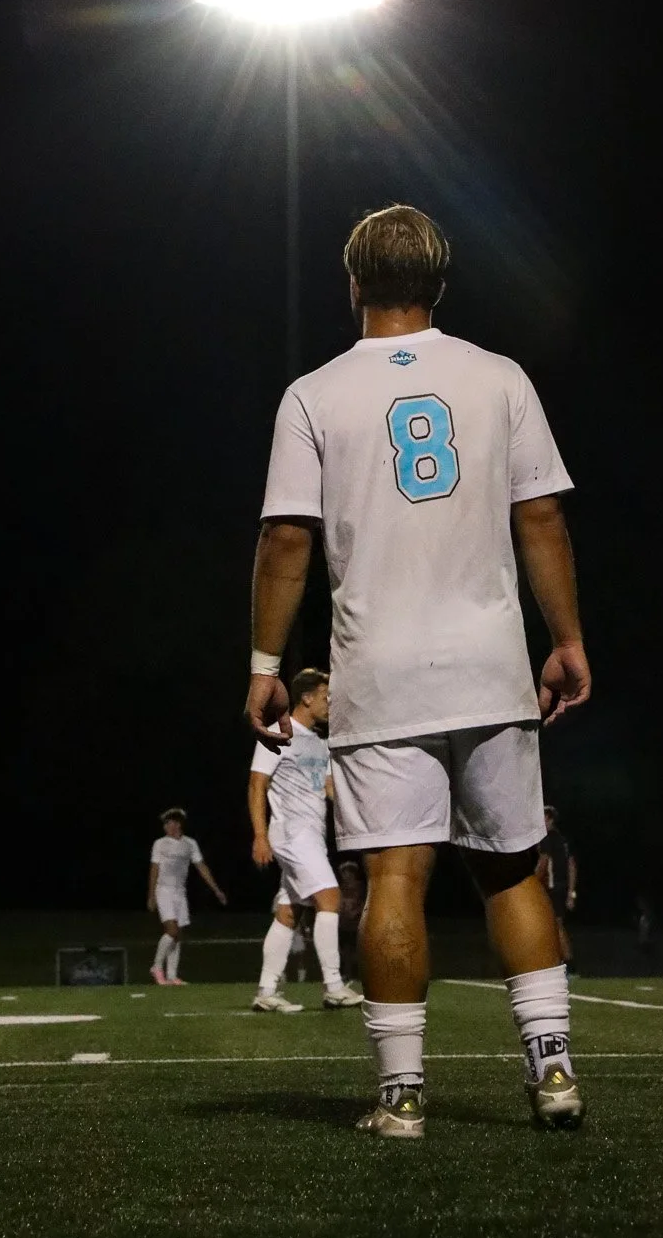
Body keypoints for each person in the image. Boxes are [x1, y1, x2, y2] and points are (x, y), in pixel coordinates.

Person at [244, 203, 591, 1138]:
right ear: (440, 283)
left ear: (353, 283)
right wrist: (566, 639)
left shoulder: (313, 394)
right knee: (511, 871)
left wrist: (265, 664)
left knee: (394, 875)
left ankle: (401, 1098)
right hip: (489, 663)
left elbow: (286, 539)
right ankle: (553, 1072)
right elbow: (541, 518)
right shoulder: (500, 376)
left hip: (380, 671)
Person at [248, 666, 363, 1012]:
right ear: (307, 698)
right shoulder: (277, 734)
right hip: (291, 834)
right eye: (326, 697)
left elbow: (328, 788)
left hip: (311, 836)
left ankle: (266, 991)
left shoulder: (319, 742)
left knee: (289, 913)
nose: (330, 704)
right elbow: (257, 784)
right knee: (330, 898)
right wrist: (260, 836)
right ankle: (334, 986)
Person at [147, 808, 227, 985]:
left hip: (180, 891)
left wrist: (216, 889)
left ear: (178, 824)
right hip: (164, 890)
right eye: (165, 824)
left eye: (170, 823)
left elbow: (201, 867)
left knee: (178, 935)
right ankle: (156, 966)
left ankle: (172, 975)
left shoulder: (190, 844)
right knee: (172, 930)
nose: (167, 827)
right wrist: (151, 895)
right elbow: (154, 869)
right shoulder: (160, 844)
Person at [536, 806, 578, 967]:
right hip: (561, 887)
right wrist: (570, 892)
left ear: (549, 819)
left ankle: (567, 964)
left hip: (551, 887)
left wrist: (532, 882)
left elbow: (543, 863)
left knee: (555, 925)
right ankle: (557, 962)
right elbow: (572, 866)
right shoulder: (564, 840)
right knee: (552, 925)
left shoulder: (546, 839)